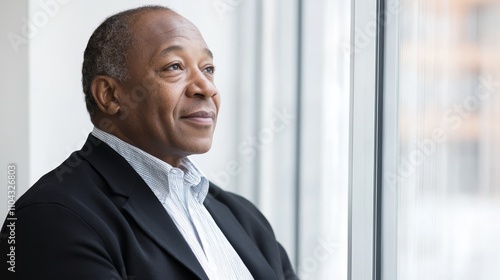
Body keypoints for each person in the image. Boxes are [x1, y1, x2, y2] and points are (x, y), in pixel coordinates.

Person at [0, 5, 298, 280]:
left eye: (208, 69)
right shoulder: (52, 218)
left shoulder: (244, 218)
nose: (206, 88)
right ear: (110, 95)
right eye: (174, 67)